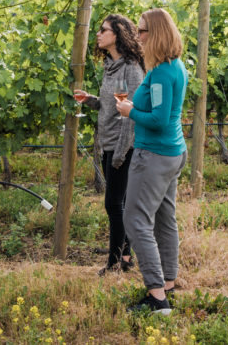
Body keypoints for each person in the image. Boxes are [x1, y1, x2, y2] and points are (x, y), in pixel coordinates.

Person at [116, 8, 188, 315]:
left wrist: (129, 111)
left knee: (135, 220)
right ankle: (168, 284)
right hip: (173, 152)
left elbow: (157, 119)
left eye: (141, 31)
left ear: (155, 34)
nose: (137, 36)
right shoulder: (175, 66)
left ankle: (157, 297)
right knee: (164, 219)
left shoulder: (159, 74)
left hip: (154, 155)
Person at [73, 14, 145, 275]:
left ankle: (114, 263)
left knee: (113, 204)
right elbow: (113, 104)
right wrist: (91, 99)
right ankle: (125, 257)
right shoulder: (110, 66)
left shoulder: (132, 69)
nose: (98, 34)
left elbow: (132, 114)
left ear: (118, 34)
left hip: (122, 146)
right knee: (120, 202)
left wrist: (121, 152)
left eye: (103, 30)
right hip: (108, 143)